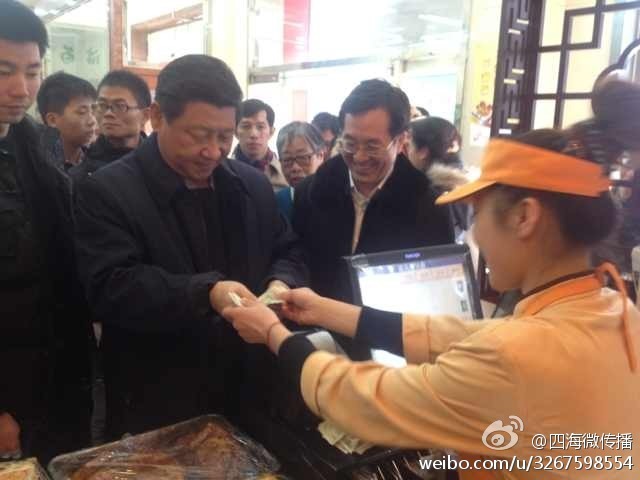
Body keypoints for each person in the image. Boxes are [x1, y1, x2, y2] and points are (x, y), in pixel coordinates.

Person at [223, 79, 640, 480]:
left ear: (524, 217)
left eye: (479, 212)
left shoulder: (515, 353)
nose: (475, 235)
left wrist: (274, 333)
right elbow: (447, 334)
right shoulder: (617, 310)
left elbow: (363, 398)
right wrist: (323, 309)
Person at [74, 54, 307, 440]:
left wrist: (281, 281)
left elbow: (288, 249)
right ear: (157, 116)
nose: (213, 151)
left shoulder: (251, 185)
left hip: (250, 389)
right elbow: (110, 286)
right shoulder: (107, 191)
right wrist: (207, 292)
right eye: (199, 135)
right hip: (159, 399)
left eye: (224, 136)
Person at [292, 79, 454, 354]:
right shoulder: (312, 192)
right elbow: (298, 259)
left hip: (391, 351)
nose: (359, 157)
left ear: (401, 140)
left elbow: (436, 294)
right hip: (317, 345)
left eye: (372, 146)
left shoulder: (428, 206)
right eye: (349, 143)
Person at [0, 0, 92, 463]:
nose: (21, 88)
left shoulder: (34, 143)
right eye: (4, 71)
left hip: (60, 368)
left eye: (32, 71)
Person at [69, 69, 150, 184]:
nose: (108, 113)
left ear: (145, 115)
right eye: (102, 105)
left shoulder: (156, 163)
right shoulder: (81, 170)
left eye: (120, 106)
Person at [408, 116, 469, 239]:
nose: (405, 151)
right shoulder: (460, 182)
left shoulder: (430, 191)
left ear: (423, 152)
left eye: (408, 145)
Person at [36, 71, 97, 171]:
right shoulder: (39, 167)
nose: (92, 121)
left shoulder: (98, 160)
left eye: (93, 110)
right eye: (82, 112)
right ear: (52, 120)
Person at [231, 98, 287, 191]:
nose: (254, 134)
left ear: (271, 132)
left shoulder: (286, 174)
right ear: (235, 132)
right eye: (246, 126)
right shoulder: (221, 173)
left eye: (260, 127)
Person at [275, 121, 325, 220]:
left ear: (320, 156)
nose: (295, 168)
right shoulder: (276, 203)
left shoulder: (336, 198)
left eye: (303, 158)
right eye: (287, 159)